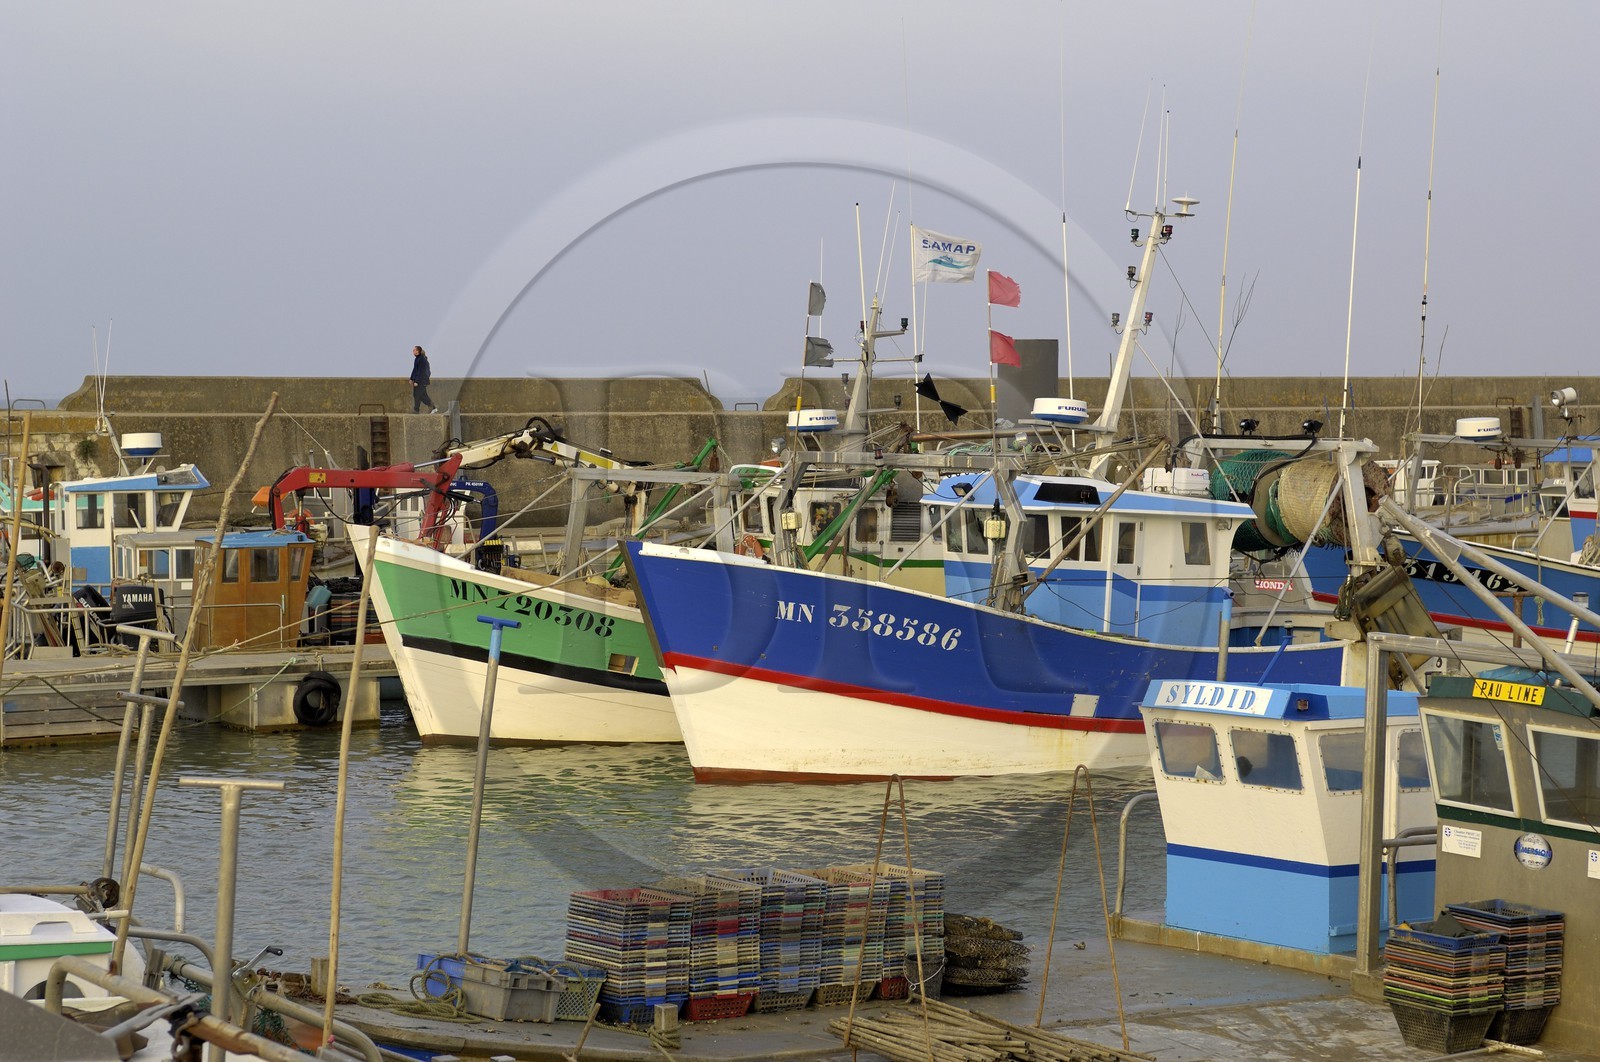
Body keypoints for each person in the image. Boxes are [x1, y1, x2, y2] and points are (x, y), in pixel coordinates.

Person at [410, 345, 439, 413]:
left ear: (418, 351)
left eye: (414, 350)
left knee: (418, 395)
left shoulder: (422, 360)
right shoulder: (417, 359)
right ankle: (433, 407)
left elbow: (421, 371)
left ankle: (417, 410)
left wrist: (417, 381)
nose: (413, 351)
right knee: (421, 395)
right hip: (420, 380)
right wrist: (411, 378)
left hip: (422, 381)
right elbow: (415, 370)